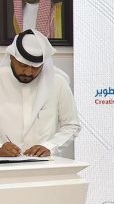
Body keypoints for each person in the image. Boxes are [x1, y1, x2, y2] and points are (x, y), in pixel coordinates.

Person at [0, 29, 80, 158]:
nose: (28, 73)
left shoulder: (57, 83)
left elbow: (71, 125)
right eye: (23, 65)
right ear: (11, 57)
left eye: (35, 67)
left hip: (43, 164)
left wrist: (50, 146)